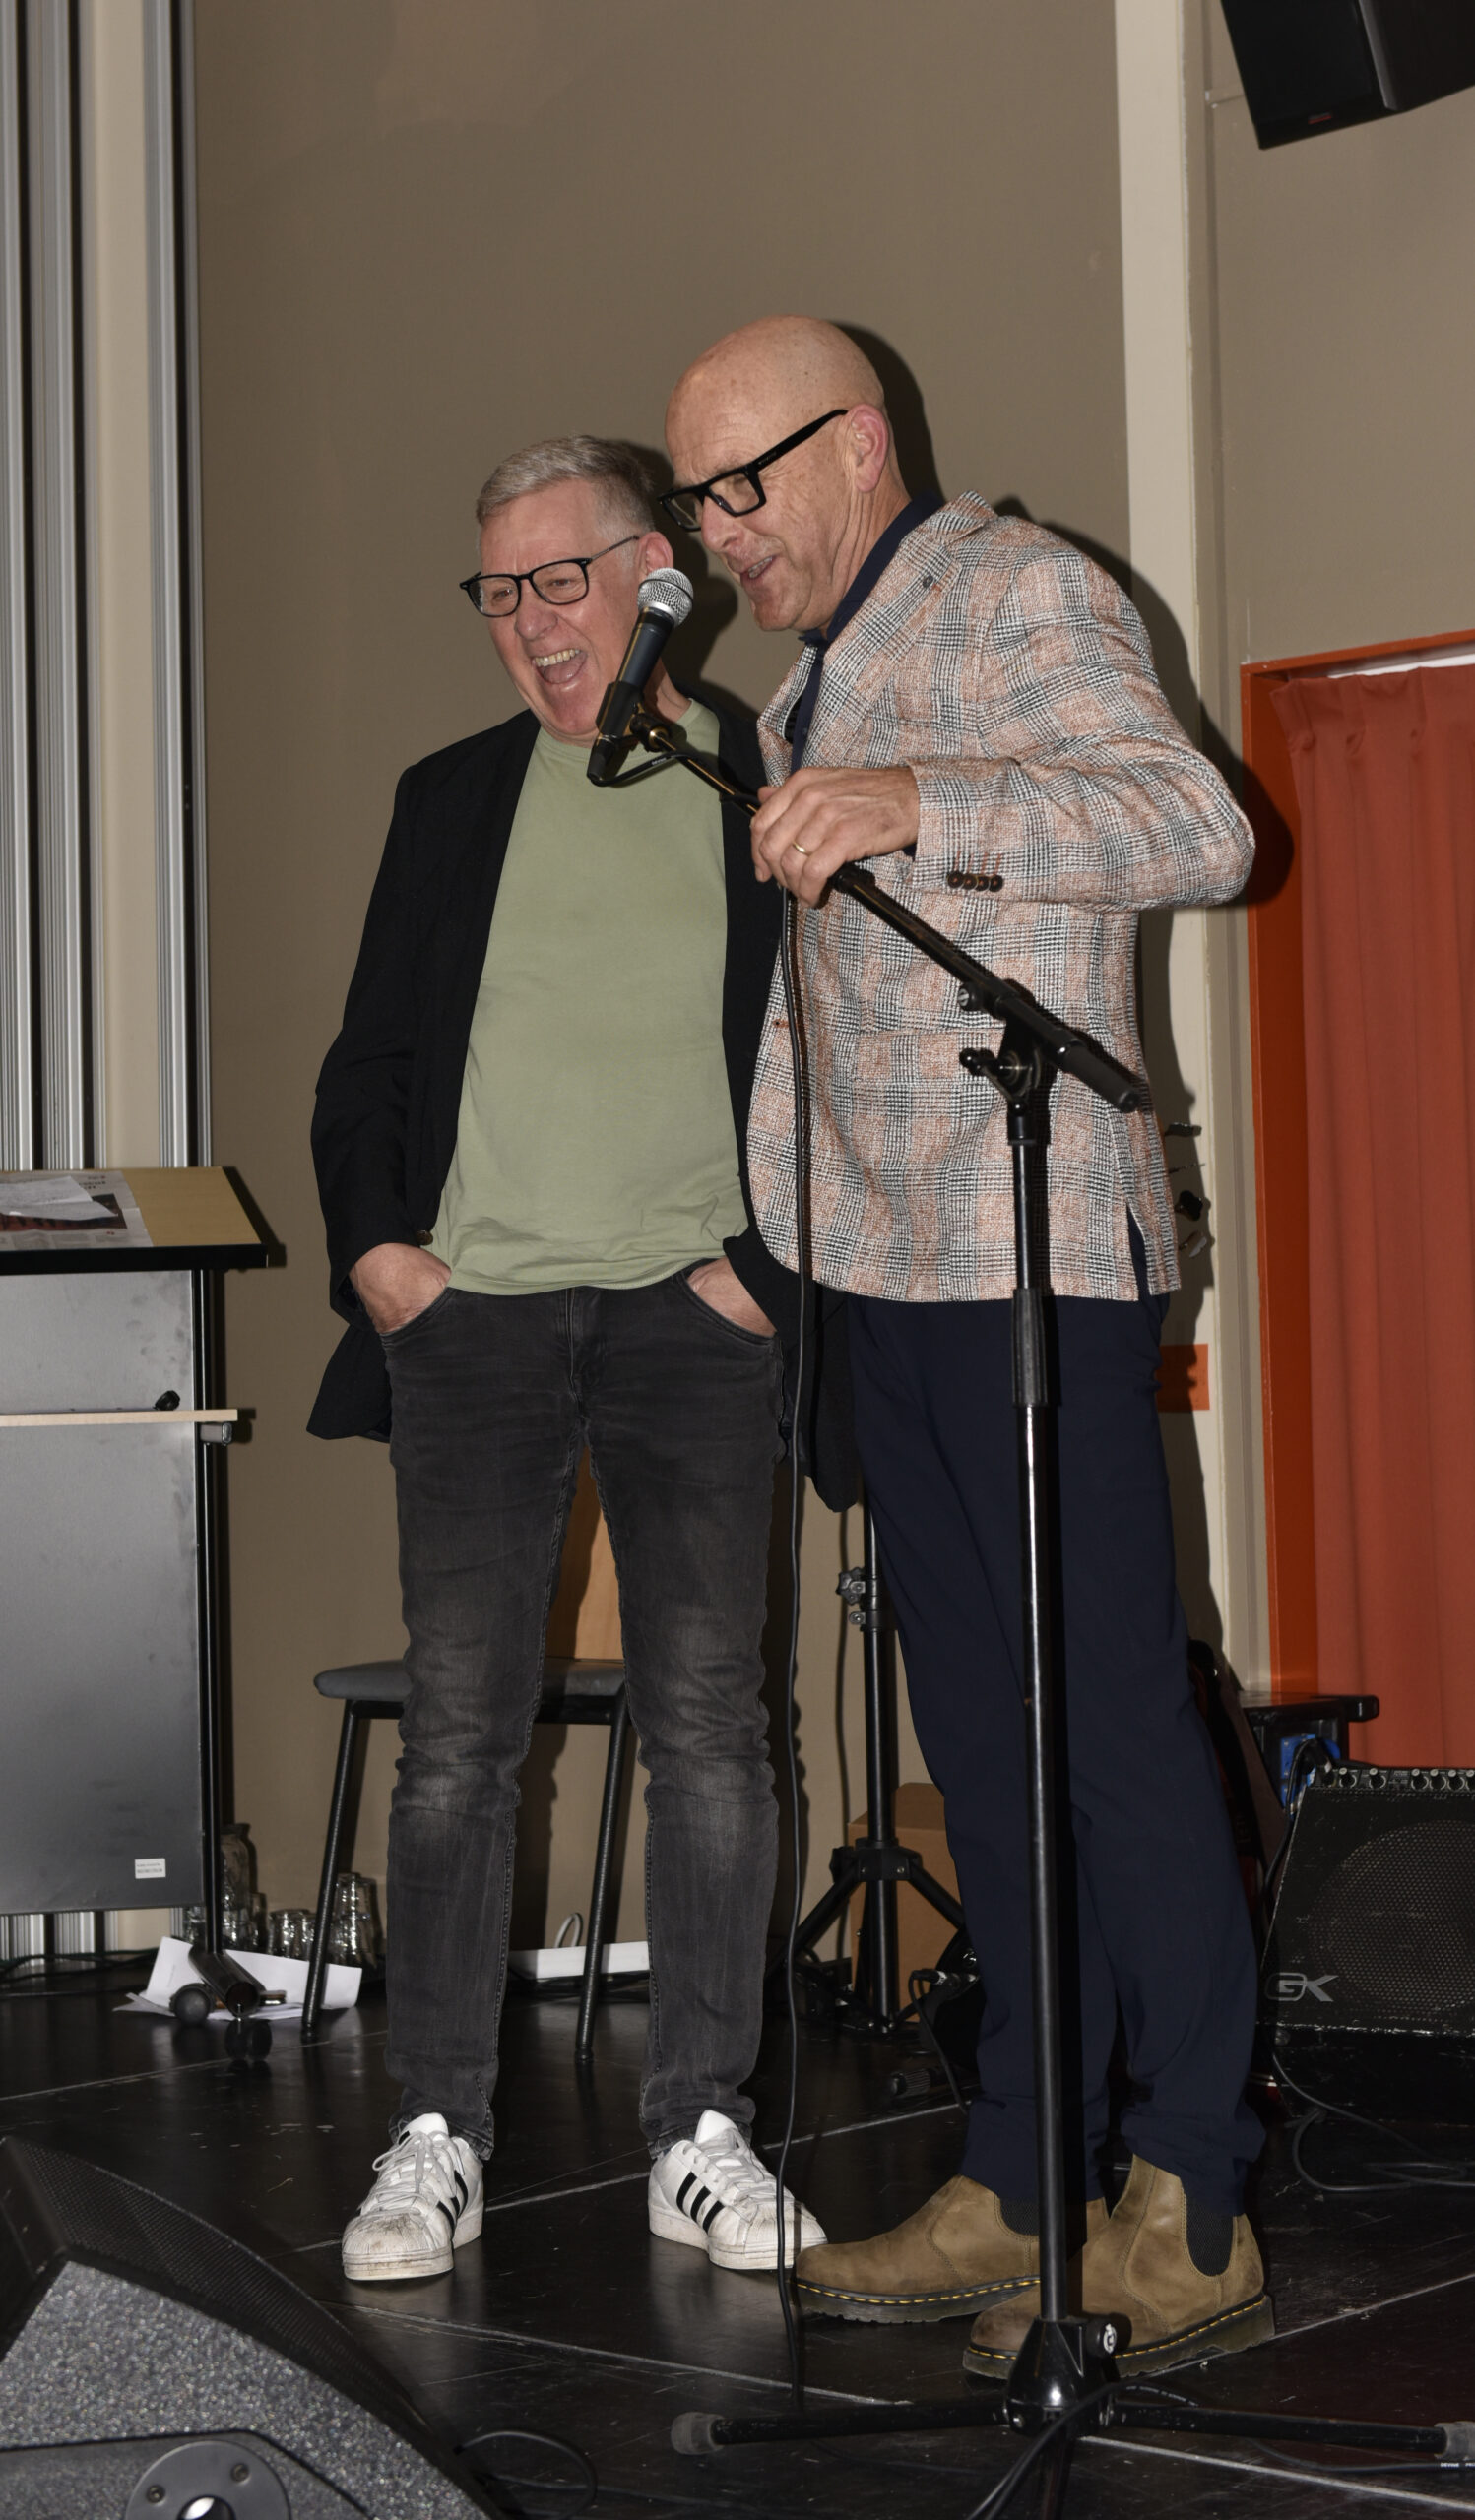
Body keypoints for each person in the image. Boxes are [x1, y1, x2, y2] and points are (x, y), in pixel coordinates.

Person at [664, 320, 1268, 2373]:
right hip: (878, 1275)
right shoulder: (802, 682)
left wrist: (919, 797)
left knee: (1107, 1724)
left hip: (1034, 1258)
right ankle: (1021, 2173)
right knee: (984, 1751)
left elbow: (1195, 824)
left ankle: (1189, 2194)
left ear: (858, 443)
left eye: (740, 486)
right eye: (697, 500)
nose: (719, 534)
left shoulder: (1019, 588)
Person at [310, 435, 826, 2284]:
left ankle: (701, 2129)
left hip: (698, 1322)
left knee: (711, 1732)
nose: (529, 623)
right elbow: (370, 1059)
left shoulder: (760, 774)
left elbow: (844, 1046)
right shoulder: (449, 797)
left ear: (655, 575)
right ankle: (434, 2130)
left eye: (560, 580)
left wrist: (763, 1271)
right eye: (498, 592)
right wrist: (381, 1255)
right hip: (478, 1324)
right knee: (458, 1740)